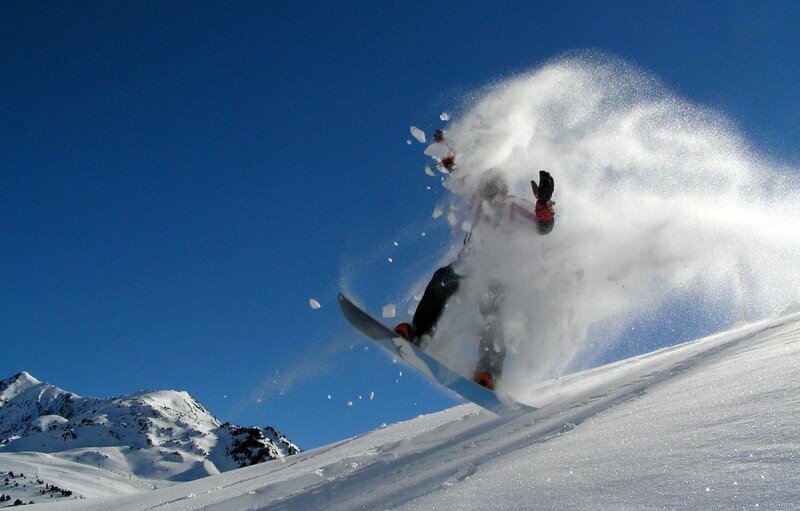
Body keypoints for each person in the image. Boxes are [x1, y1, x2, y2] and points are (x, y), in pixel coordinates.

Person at [394, 169, 556, 390]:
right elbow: (462, 180)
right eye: (485, 191)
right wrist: (448, 159)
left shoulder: (514, 205)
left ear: (503, 189)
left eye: (493, 191)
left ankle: (488, 372)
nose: (489, 197)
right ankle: (418, 333)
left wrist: (544, 204)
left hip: (498, 270)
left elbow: (542, 227)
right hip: (468, 264)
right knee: (442, 280)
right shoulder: (478, 204)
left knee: (492, 313)